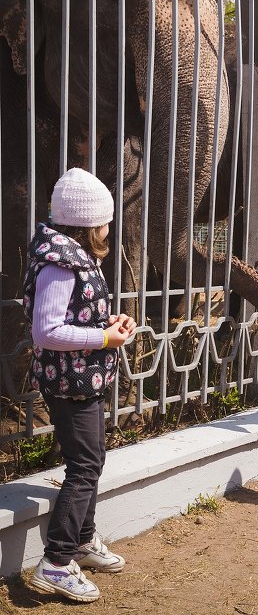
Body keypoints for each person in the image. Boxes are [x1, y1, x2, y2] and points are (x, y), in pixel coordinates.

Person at [22, 168, 136, 603]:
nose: (109, 228)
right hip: (68, 381)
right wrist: (104, 338)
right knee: (84, 467)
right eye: (106, 220)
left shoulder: (71, 255)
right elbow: (47, 330)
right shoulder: (60, 261)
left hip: (82, 378)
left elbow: (73, 317)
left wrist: (107, 323)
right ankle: (55, 561)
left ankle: (83, 541)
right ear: (89, 223)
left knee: (93, 459)